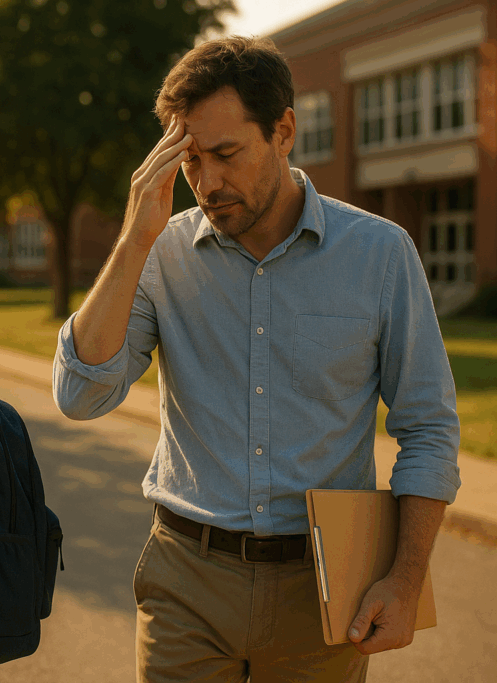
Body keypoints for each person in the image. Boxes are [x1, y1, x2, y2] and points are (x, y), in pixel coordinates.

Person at [52, 36, 460, 682]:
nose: (207, 183)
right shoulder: (162, 254)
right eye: (190, 161)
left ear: (284, 131)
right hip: (186, 577)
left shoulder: (381, 256)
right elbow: (80, 394)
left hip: (324, 590)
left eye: (225, 154)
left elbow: (429, 427)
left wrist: (405, 579)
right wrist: (133, 240)